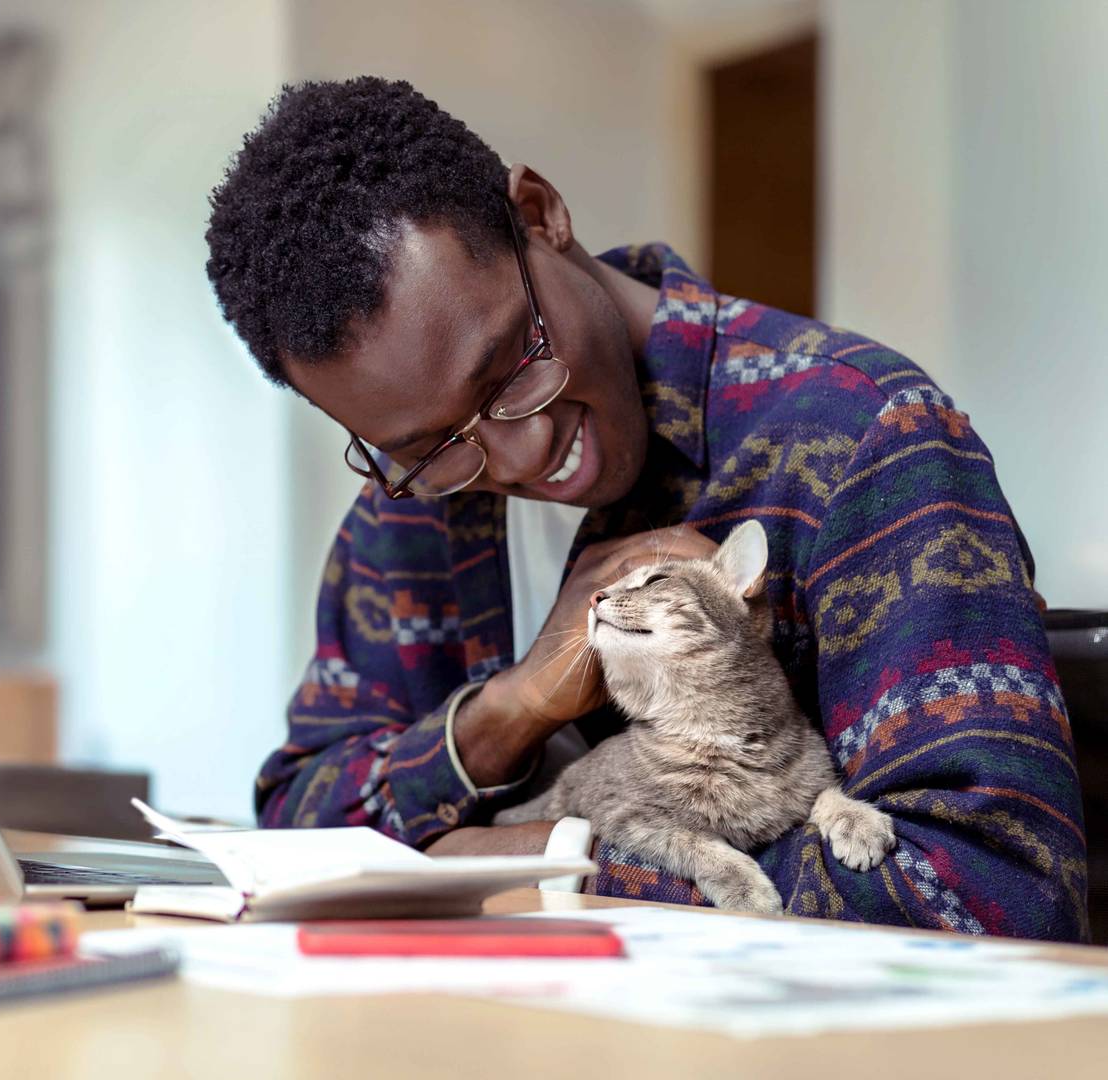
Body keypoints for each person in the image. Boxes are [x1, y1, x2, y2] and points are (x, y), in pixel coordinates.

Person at [202, 77, 1085, 941]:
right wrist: (509, 711)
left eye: (511, 367)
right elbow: (296, 826)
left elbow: (995, 893)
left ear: (543, 215)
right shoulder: (412, 504)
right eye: (432, 443)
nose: (520, 453)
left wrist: (538, 858)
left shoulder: (864, 436)